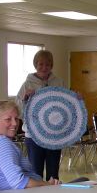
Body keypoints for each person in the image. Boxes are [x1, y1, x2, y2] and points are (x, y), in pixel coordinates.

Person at [16, 49, 67, 181]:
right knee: (35, 172)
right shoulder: (27, 84)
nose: (44, 67)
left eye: (48, 64)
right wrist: (25, 97)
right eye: (41, 64)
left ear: (51, 66)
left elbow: (65, 106)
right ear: (35, 65)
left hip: (54, 134)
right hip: (34, 135)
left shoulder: (59, 82)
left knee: (53, 173)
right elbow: (18, 110)